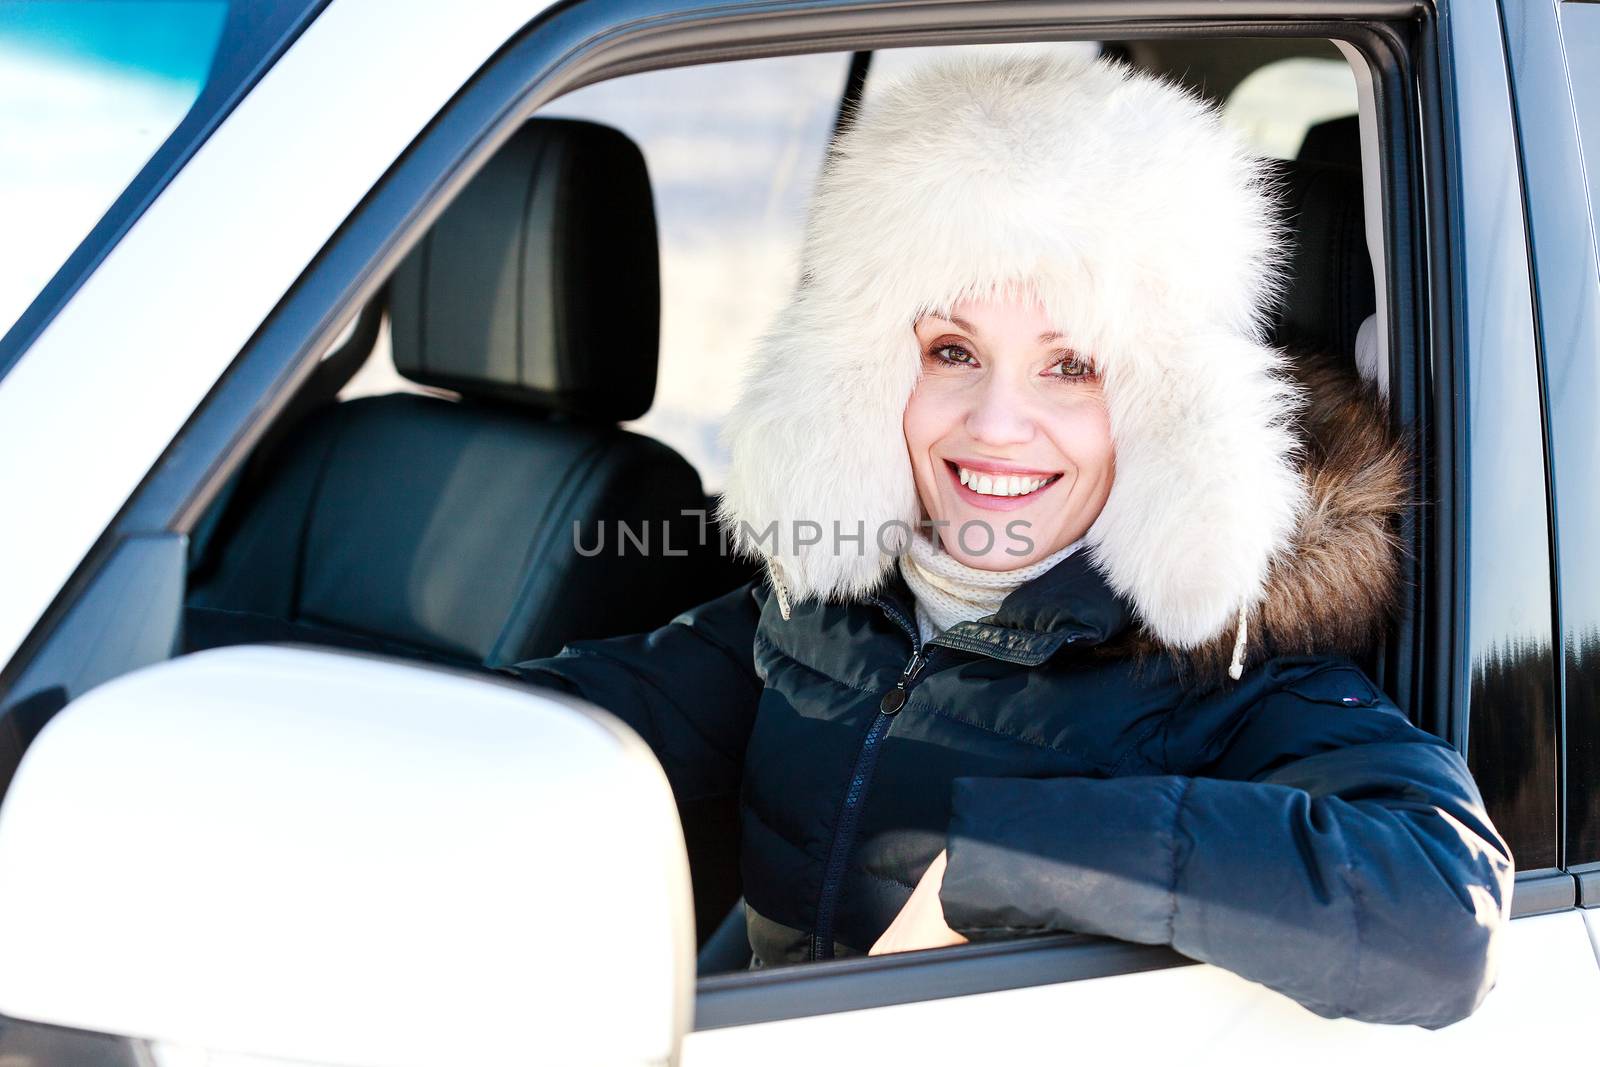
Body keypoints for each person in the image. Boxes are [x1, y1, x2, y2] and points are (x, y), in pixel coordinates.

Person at [504, 52, 1512, 1027]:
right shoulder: (824, 607)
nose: (993, 423)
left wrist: (996, 865)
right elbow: (561, 725)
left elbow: (1440, 915)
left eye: (1071, 364)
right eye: (952, 351)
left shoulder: (1231, 668)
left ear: (1168, 407)